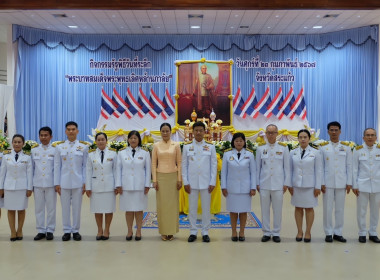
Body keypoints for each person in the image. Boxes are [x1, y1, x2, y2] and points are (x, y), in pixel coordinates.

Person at [182, 121, 217, 243]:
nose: (198, 132)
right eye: (196, 130)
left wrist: (213, 181)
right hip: (191, 183)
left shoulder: (210, 147)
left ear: (204, 132)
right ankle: (193, 231)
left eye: (200, 130)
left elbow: (214, 165)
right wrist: (185, 182)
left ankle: (205, 232)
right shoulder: (186, 147)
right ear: (193, 132)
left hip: (206, 183)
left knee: (206, 208)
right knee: (192, 208)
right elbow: (184, 166)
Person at [54, 121, 89, 241]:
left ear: (77, 131)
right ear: (65, 131)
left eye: (73, 129)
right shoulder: (59, 147)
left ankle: (76, 230)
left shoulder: (84, 147)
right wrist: (57, 183)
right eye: (68, 129)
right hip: (64, 182)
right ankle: (66, 230)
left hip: (78, 182)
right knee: (65, 208)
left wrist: (85, 182)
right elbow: (57, 166)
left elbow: (85, 166)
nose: (71, 131)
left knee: (77, 207)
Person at [256, 124, 290, 243]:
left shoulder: (283, 148)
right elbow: (257, 168)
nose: (270, 135)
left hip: (278, 184)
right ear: (265, 133)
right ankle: (266, 232)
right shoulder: (260, 148)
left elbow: (287, 168)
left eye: (273, 132)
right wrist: (257, 183)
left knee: (277, 209)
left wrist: (286, 183)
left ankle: (276, 232)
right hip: (264, 183)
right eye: (268, 133)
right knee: (264, 209)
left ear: (277, 134)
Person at [319, 121, 352, 243]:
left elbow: (349, 166)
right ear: (328, 131)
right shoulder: (323, 147)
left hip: (341, 183)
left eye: (336, 130)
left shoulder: (346, 148)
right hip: (327, 183)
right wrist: (321, 183)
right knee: (327, 209)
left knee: (340, 209)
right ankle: (328, 233)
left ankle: (338, 232)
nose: (334, 132)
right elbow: (320, 167)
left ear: (340, 131)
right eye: (331, 130)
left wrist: (349, 183)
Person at [221, 132, 256, 242]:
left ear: (244, 142)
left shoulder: (249, 154)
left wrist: (253, 187)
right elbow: (224, 172)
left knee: (243, 211)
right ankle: (233, 232)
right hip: (231, 188)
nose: (239, 143)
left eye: (241, 141)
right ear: (233, 142)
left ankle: (242, 232)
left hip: (245, 188)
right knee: (233, 211)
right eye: (236, 141)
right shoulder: (227, 154)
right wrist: (224, 186)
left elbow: (253, 172)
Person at [116, 130, 151, 241]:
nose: (133, 140)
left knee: (139, 209)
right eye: (131, 138)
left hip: (140, 186)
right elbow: (118, 169)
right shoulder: (121, 153)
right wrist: (118, 185)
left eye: (135, 138)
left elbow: (148, 169)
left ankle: (139, 230)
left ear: (139, 140)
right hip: (126, 186)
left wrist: (147, 185)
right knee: (129, 210)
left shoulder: (145, 153)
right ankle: (129, 230)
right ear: (128, 140)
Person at [289, 129, 322, 243]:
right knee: (298, 208)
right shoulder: (292, 152)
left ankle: (308, 231)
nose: (303, 139)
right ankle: (299, 231)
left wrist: (318, 186)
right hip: (296, 185)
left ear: (309, 139)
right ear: (297, 139)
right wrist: (289, 185)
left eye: (305, 137)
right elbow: (290, 170)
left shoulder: (316, 152)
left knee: (309, 208)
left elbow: (319, 170)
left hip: (310, 186)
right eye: (301, 137)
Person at [152, 123, 182, 241]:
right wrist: (154, 180)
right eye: (163, 131)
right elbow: (154, 164)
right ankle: (163, 231)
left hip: (173, 177)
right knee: (162, 205)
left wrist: (179, 179)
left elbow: (179, 163)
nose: (165, 133)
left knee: (172, 205)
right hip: (161, 177)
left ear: (171, 132)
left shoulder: (176, 145)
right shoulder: (156, 146)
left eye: (167, 131)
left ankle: (171, 231)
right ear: (160, 132)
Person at [0, 134, 33, 241]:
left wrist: (29, 188)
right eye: (15, 142)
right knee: (10, 210)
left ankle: (20, 230)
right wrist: (1, 188)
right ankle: (12, 232)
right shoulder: (6, 156)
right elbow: (2, 173)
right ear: (12, 143)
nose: (17, 144)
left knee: (21, 209)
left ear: (23, 144)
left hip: (22, 187)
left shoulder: (27, 157)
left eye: (19, 142)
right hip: (9, 187)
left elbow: (29, 174)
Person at [86, 132, 117, 241]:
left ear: (106, 141)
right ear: (95, 142)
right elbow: (88, 171)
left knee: (109, 209)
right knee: (97, 209)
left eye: (103, 139)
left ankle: (107, 230)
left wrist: (117, 185)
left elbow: (116, 170)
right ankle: (99, 229)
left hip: (109, 185)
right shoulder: (91, 154)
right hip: (96, 186)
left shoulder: (113, 154)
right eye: (98, 140)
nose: (101, 141)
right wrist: (88, 187)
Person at [352, 128, 380, 243]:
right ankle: (362, 233)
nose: (370, 137)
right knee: (361, 210)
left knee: (375, 210)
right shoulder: (358, 150)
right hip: (362, 185)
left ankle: (373, 232)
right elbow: (354, 169)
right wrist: (355, 185)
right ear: (363, 137)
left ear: (376, 137)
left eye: (372, 135)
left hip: (377, 185)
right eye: (367, 135)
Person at [32, 126, 57, 241]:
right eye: (41, 135)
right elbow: (31, 168)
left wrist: (57, 184)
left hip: (51, 183)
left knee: (51, 208)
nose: (43, 137)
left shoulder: (55, 150)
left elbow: (57, 168)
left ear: (51, 136)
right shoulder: (34, 150)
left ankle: (50, 230)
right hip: (37, 183)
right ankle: (41, 230)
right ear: (39, 136)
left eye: (46, 135)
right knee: (39, 208)